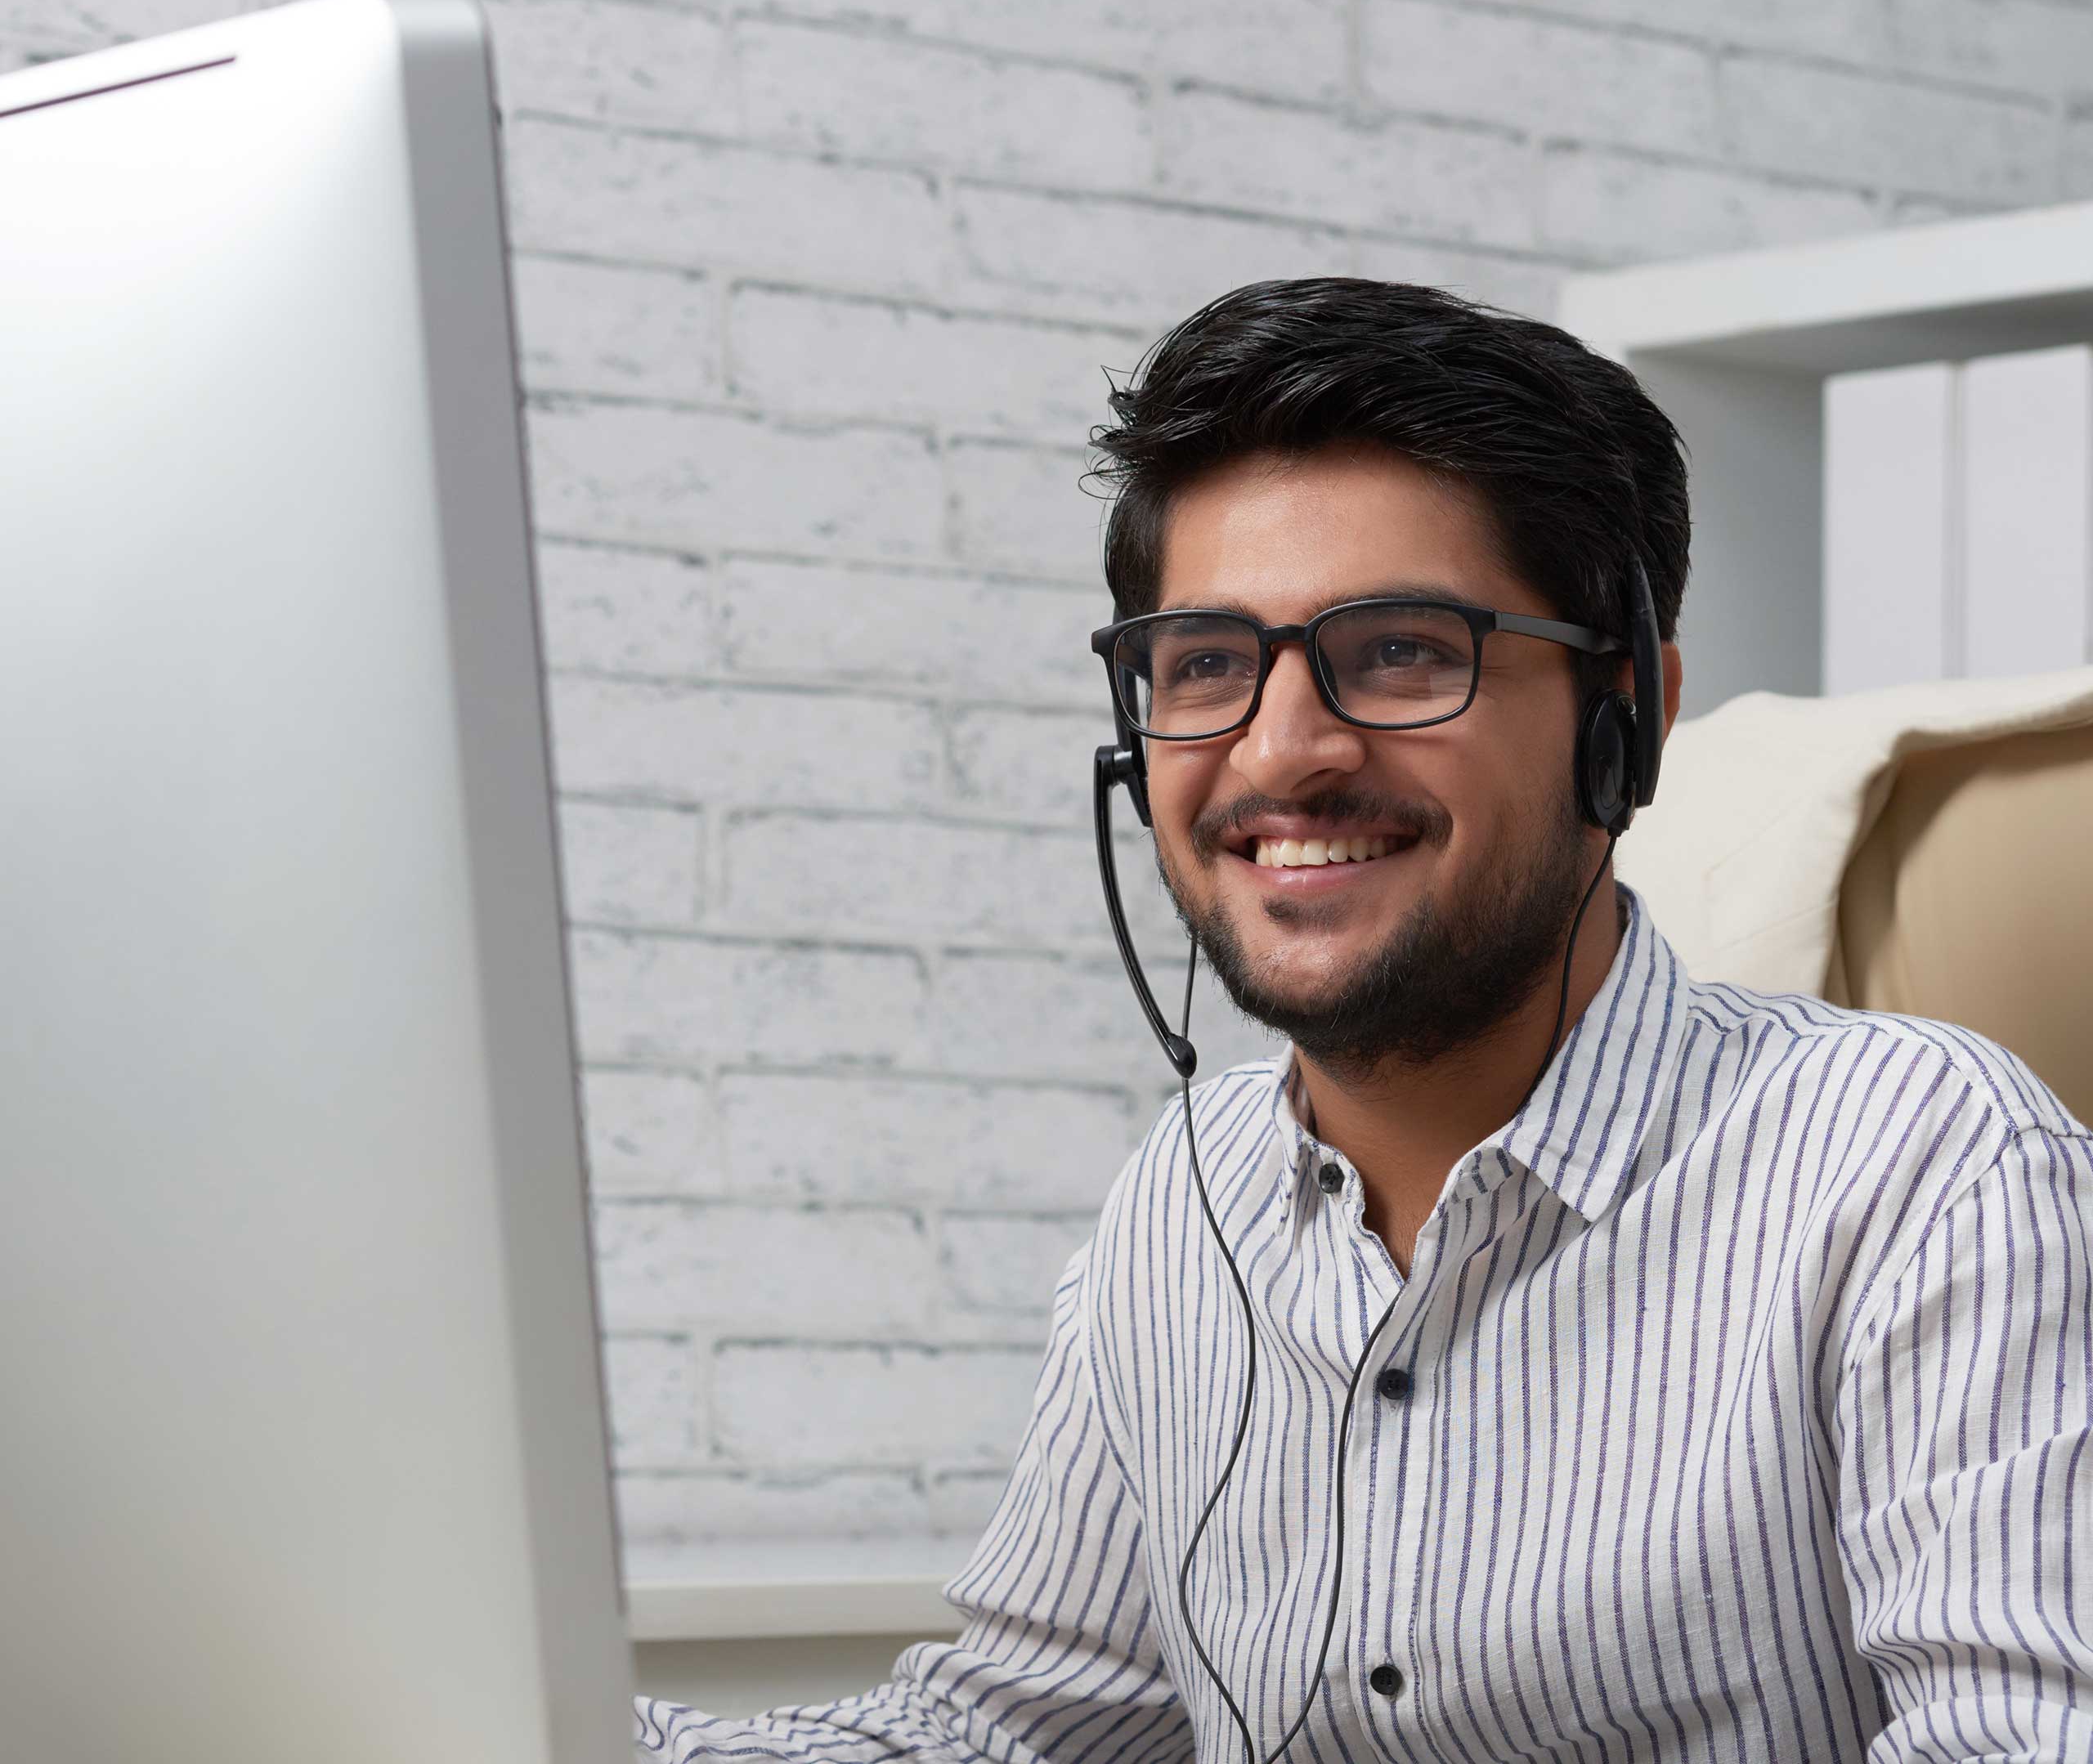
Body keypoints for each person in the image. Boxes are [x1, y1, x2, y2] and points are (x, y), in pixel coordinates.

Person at [636, 279, 2093, 1763]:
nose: (1282, 752)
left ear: (1629, 719)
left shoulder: (1926, 1167)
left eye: (1400, 649)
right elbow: (1015, 1731)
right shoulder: (1182, 1211)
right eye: (1204, 664)